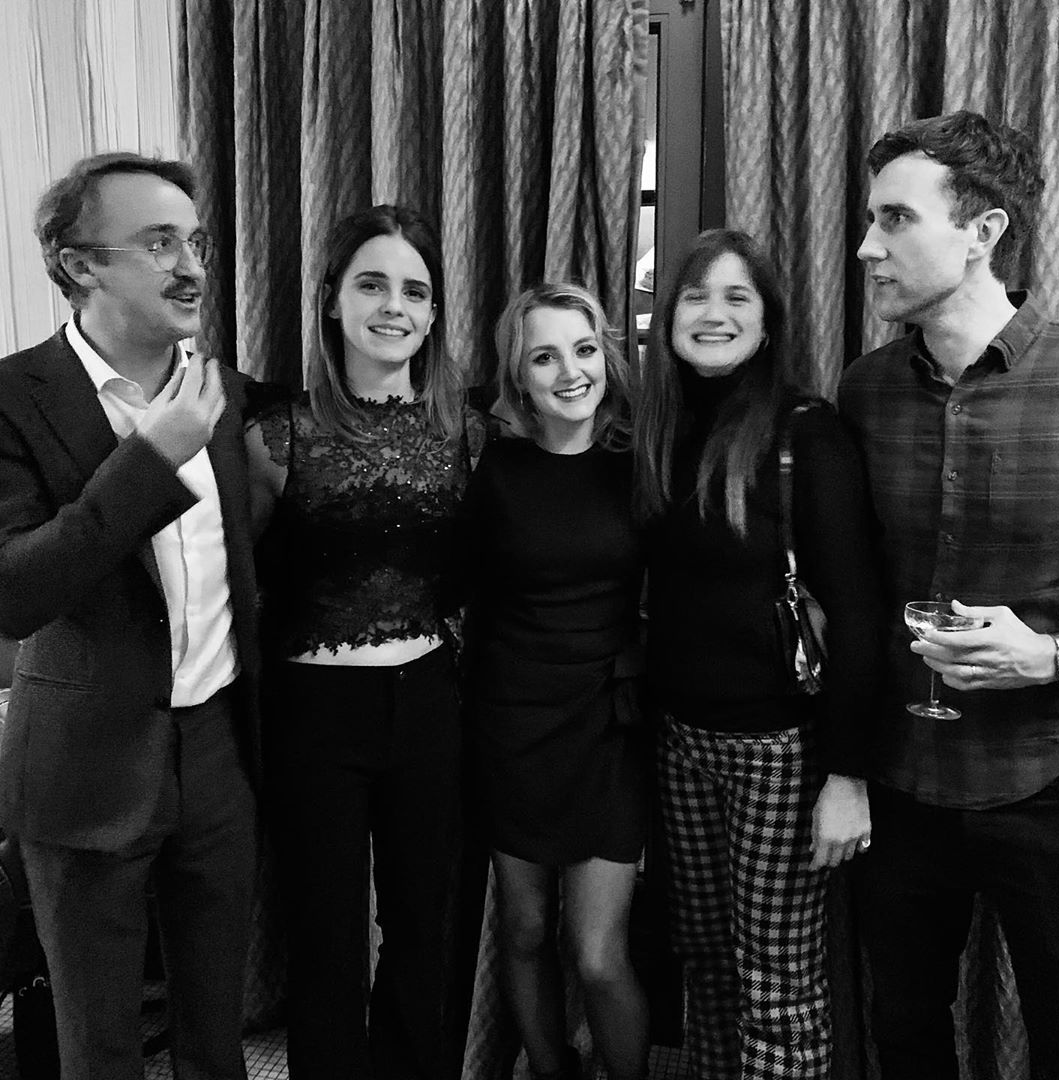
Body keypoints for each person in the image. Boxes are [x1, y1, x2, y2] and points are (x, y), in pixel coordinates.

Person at [0, 152, 260, 1078]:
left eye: (195, 242)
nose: (192, 267)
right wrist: (151, 458)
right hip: (84, 770)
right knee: (100, 1047)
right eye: (158, 244)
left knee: (217, 1037)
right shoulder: (11, 399)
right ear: (79, 264)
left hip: (218, 753)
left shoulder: (222, 391)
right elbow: (16, 593)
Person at [839, 110, 1059, 1080]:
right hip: (902, 788)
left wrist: (1054, 654)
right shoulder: (862, 392)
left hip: (1053, 783)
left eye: (895, 219)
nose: (867, 247)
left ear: (983, 233)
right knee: (903, 1038)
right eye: (870, 219)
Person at [634, 228, 881, 1079]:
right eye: (697, 296)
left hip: (779, 752)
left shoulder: (808, 434)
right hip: (680, 741)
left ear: (768, 322)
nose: (714, 314)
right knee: (705, 967)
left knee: (777, 989)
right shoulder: (657, 430)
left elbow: (857, 613)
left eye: (737, 297)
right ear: (668, 317)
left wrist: (847, 777)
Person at [245, 205, 483, 1080]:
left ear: (434, 313)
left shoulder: (468, 434)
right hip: (313, 714)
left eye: (415, 291)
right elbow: (232, 584)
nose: (395, 306)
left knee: (423, 928)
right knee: (324, 936)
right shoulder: (277, 437)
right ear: (331, 301)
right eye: (372, 284)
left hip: (429, 702)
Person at [462, 283, 649, 1080]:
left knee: (599, 955)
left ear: (606, 356)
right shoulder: (494, 469)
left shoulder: (640, 463)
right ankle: (550, 1072)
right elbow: (460, 590)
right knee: (526, 930)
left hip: (607, 727)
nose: (570, 372)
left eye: (583, 349)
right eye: (545, 357)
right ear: (520, 377)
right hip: (512, 725)